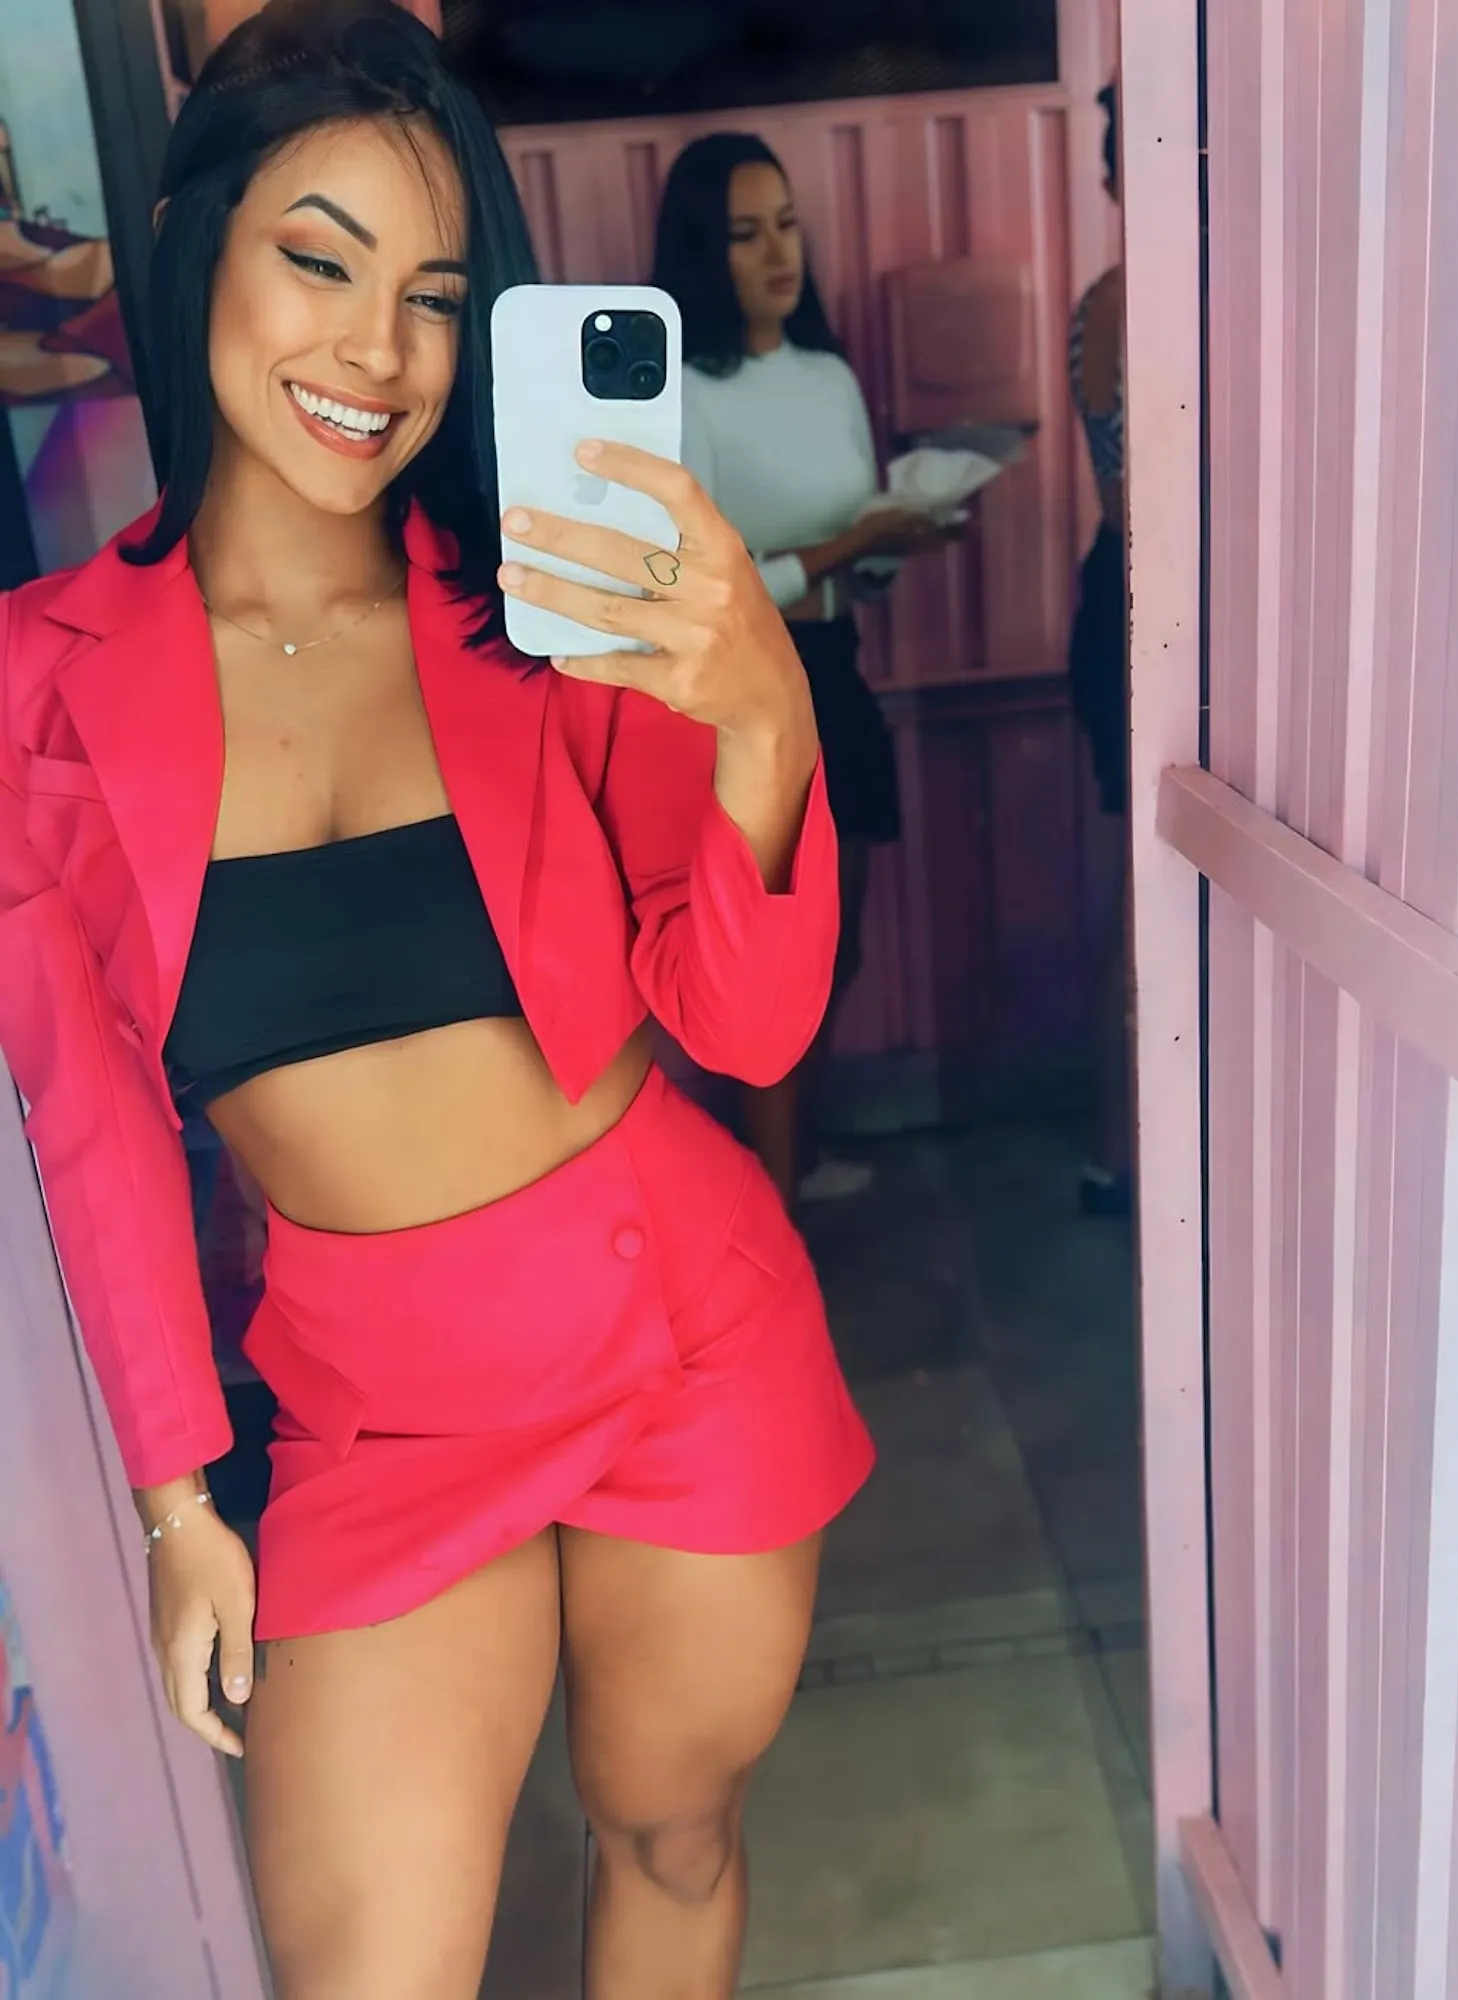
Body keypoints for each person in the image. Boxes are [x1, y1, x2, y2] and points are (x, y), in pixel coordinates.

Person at [0, 6, 874, 1997]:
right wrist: (176, 1504)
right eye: (318, 261)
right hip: (377, 1415)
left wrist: (761, 718)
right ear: (195, 244)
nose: (377, 355)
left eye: (433, 299)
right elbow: (91, 1123)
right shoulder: (38, 689)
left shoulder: (542, 614)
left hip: (682, 1335)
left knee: (670, 1832)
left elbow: (740, 1031)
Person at [651, 131, 958, 1209]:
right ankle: (768, 1207)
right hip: (743, 696)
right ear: (704, 251)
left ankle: (790, 1160)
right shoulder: (683, 390)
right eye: (746, 234)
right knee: (769, 956)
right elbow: (700, 585)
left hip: (837, 666)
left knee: (840, 944)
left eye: (787, 224)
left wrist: (901, 537)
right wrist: (840, 547)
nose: (779, 252)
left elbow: (850, 562)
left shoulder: (829, 376)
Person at [1067, 82, 1132, 1217]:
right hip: (1133, 606)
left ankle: (1123, 1150)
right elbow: (1134, 507)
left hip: (1125, 602)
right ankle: (1124, 1152)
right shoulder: (1124, 301)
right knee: (1143, 888)